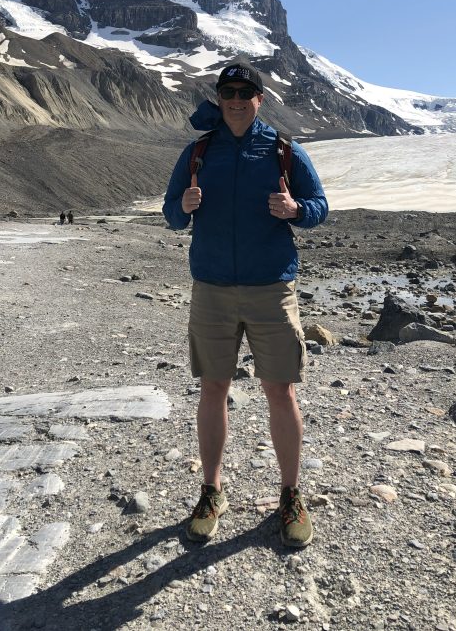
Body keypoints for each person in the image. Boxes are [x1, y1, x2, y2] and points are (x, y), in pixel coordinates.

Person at [163, 62, 328, 548]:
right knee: (213, 387)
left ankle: (291, 494)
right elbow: (171, 213)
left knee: (281, 390)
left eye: (245, 91)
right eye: (227, 91)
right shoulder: (198, 152)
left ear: (260, 98)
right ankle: (212, 491)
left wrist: (297, 210)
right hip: (211, 286)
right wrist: (184, 208)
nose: (236, 99)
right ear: (219, 98)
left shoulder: (282, 150)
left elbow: (320, 205)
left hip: (271, 287)